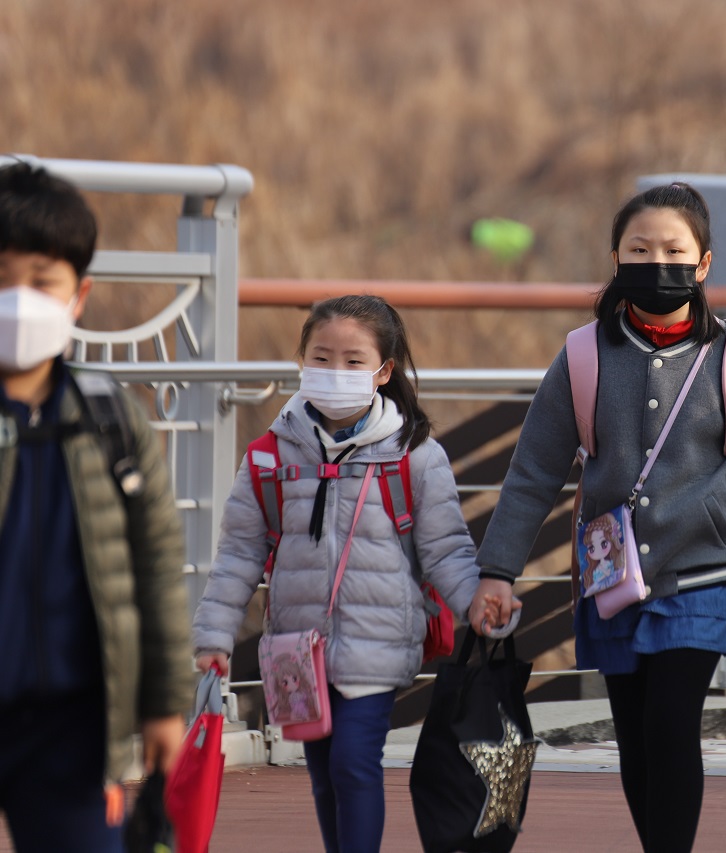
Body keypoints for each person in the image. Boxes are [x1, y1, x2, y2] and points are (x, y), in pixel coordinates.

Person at [477, 182, 726, 853]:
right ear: (616, 258)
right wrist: (497, 570)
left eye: (673, 249)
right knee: (632, 733)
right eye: (640, 248)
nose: (657, 261)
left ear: (704, 263)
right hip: (611, 580)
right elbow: (532, 473)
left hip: (706, 574)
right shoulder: (582, 356)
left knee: (669, 720)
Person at [191, 294, 512, 852]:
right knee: (322, 772)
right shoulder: (270, 455)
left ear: (383, 372)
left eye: (353, 361)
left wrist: (476, 603)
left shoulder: (414, 455)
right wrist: (215, 635)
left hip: (377, 642)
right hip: (296, 650)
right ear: (300, 360)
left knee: (352, 763)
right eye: (320, 357)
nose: (334, 372)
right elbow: (240, 553)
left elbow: (445, 550)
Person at [0, 161, 191, 850]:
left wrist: (166, 702)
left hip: (75, 722)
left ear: (77, 296)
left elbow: (157, 565)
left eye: (40, 281)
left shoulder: (110, 416)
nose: (16, 299)